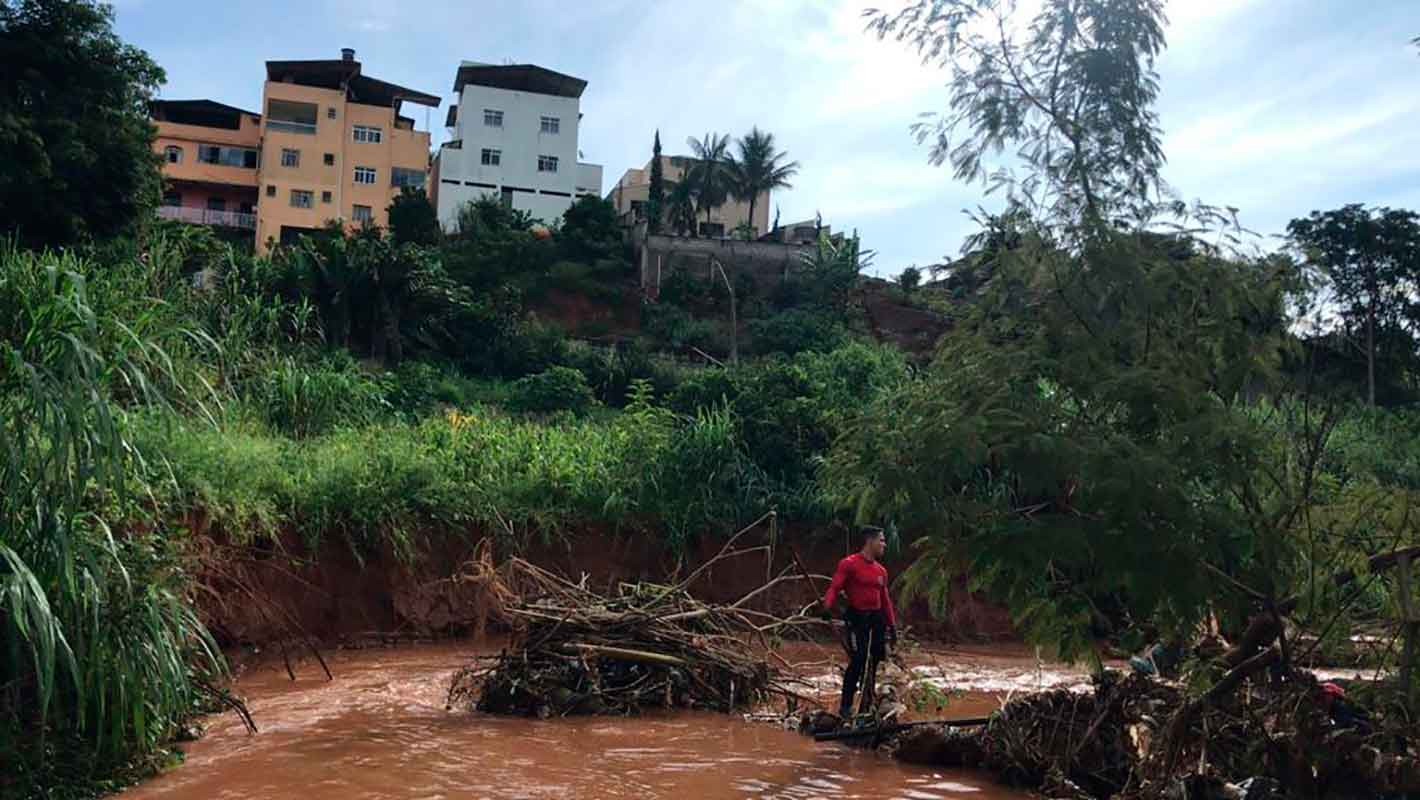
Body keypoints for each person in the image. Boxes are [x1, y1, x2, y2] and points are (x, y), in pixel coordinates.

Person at [822, 526, 897, 719]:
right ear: (869, 541)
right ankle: (845, 706)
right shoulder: (849, 564)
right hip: (857, 619)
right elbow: (834, 587)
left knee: (874, 661)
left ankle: (867, 704)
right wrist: (826, 607)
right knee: (859, 659)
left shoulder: (881, 571)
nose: (884, 544)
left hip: (876, 620)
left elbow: (885, 599)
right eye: (881, 540)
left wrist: (892, 625)